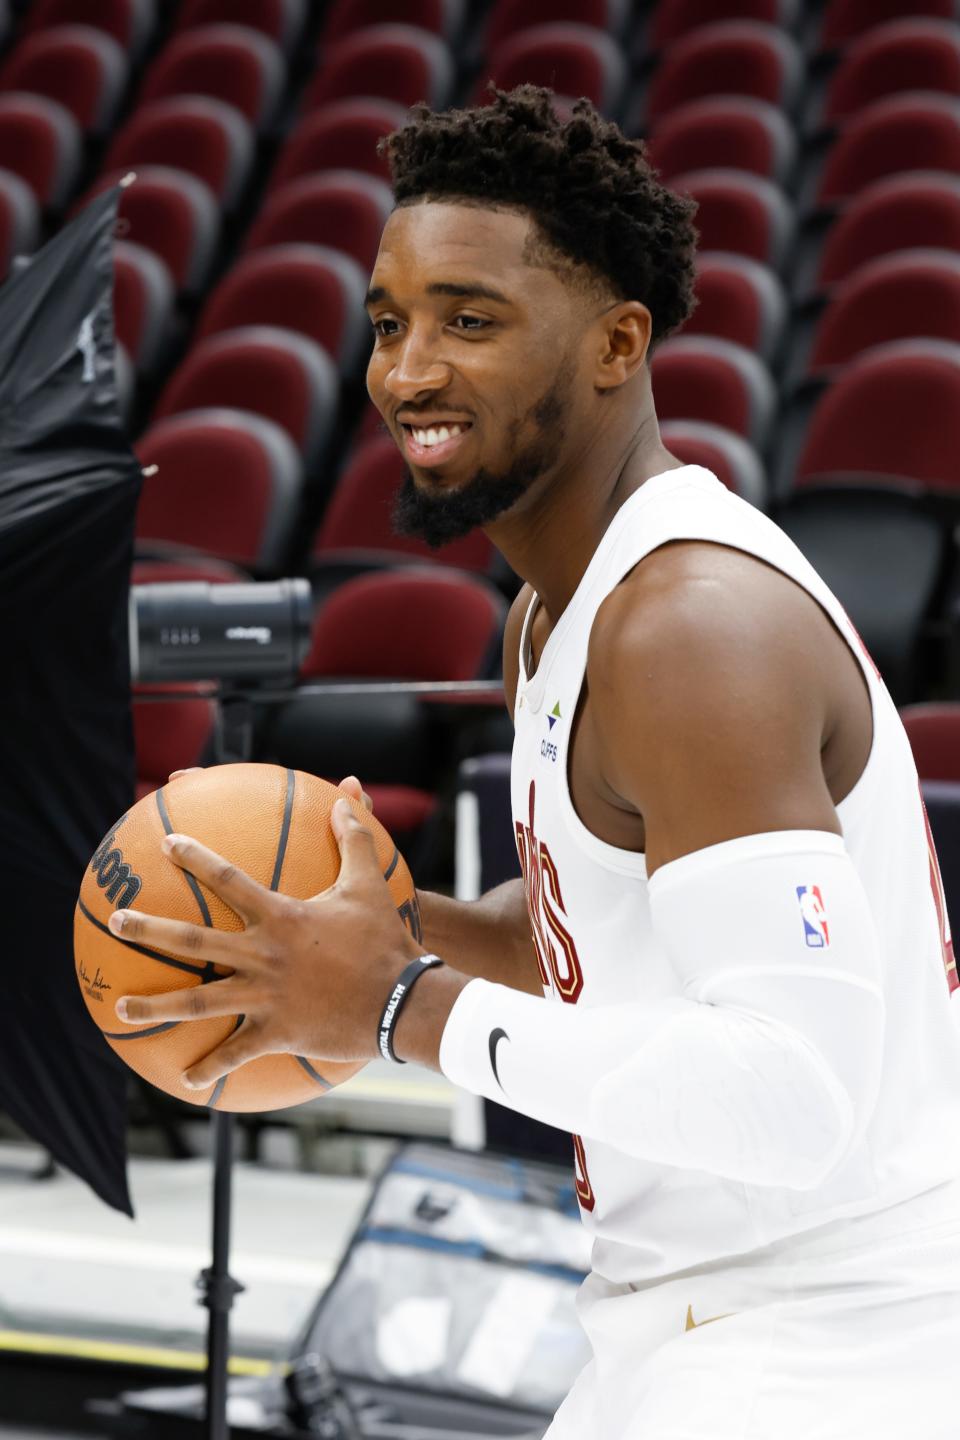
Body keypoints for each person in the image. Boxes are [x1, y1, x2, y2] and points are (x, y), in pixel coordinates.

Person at [109, 88, 960, 1438]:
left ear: (622, 341)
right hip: (689, 1312)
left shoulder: (691, 629)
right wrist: (365, 937)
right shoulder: (556, 612)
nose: (406, 371)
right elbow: (606, 933)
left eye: (472, 319)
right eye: (390, 322)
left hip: (833, 1342)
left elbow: (794, 1098)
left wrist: (399, 1004)